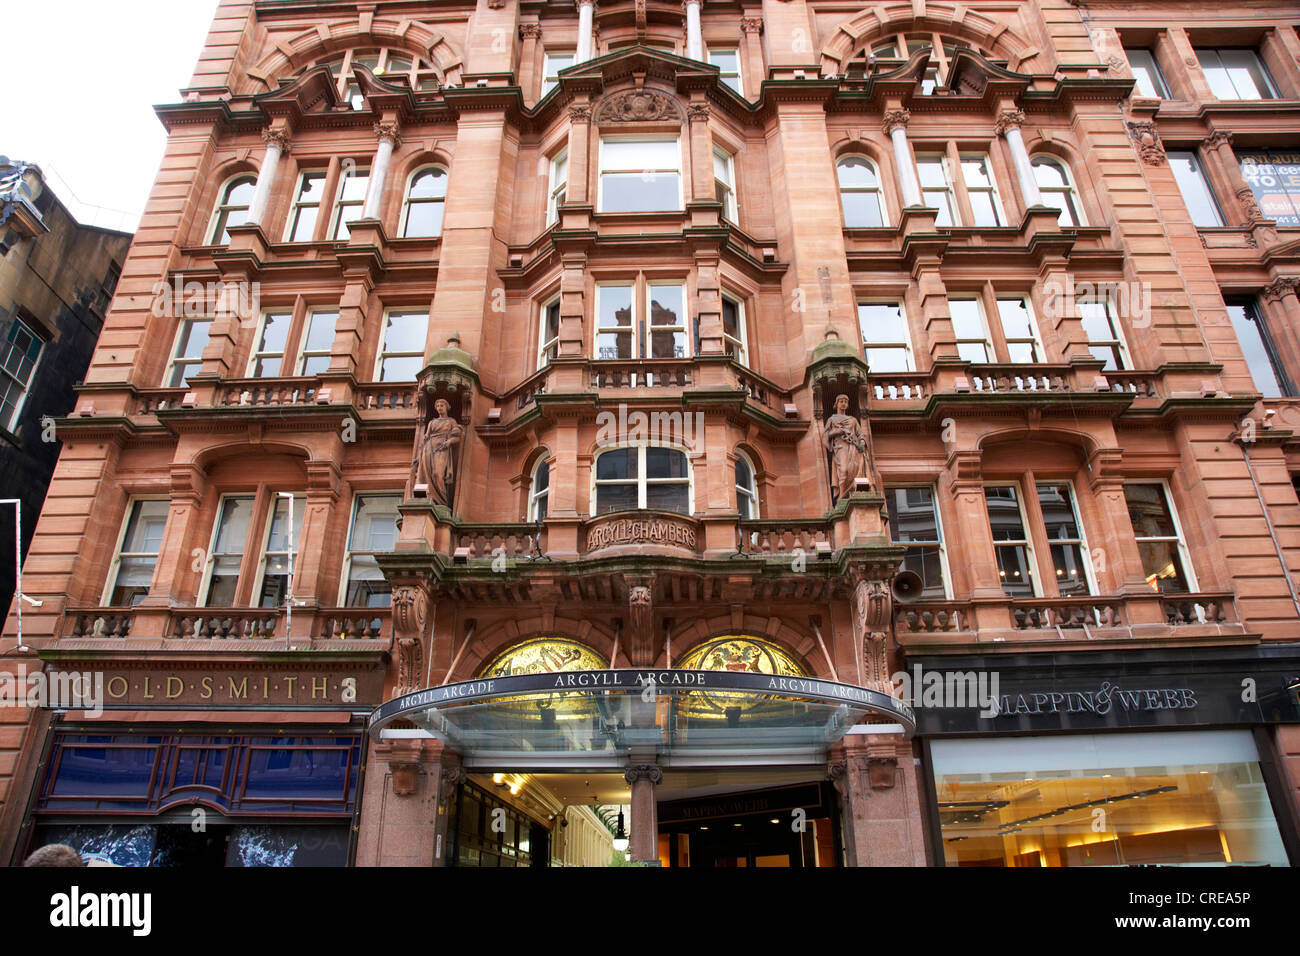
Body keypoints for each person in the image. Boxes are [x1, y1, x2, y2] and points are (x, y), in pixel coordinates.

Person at [416, 398, 463, 507]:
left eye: (442, 405)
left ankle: (442, 501)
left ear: (446, 407)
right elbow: (426, 437)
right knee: (427, 473)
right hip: (429, 448)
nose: (439, 408)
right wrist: (419, 454)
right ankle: (429, 497)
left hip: (442, 448)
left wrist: (449, 441)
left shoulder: (451, 421)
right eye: (437, 406)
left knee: (438, 473)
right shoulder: (432, 422)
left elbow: (457, 437)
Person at [823, 393, 869, 500]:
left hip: (854, 447)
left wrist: (861, 443)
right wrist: (838, 431)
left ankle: (853, 493)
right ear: (837, 404)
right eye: (841, 401)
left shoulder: (853, 420)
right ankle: (842, 496)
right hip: (840, 447)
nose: (843, 404)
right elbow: (825, 435)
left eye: (845, 402)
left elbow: (860, 434)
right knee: (843, 470)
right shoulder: (832, 419)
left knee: (855, 469)